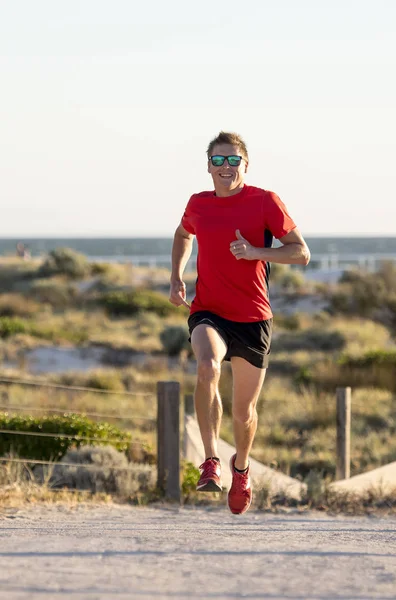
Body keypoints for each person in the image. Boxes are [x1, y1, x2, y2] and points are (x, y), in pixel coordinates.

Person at [169, 131, 310, 514]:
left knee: (243, 412)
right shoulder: (198, 203)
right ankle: (211, 460)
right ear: (208, 166)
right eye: (218, 160)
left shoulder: (265, 201)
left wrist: (255, 252)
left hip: (252, 317)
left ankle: (241, 467)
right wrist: (176, 275)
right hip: (208, 310)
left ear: (246, 165)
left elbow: (301, 253)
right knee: (206, 366)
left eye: (233, 160)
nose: (226, 167)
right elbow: (184, 234)